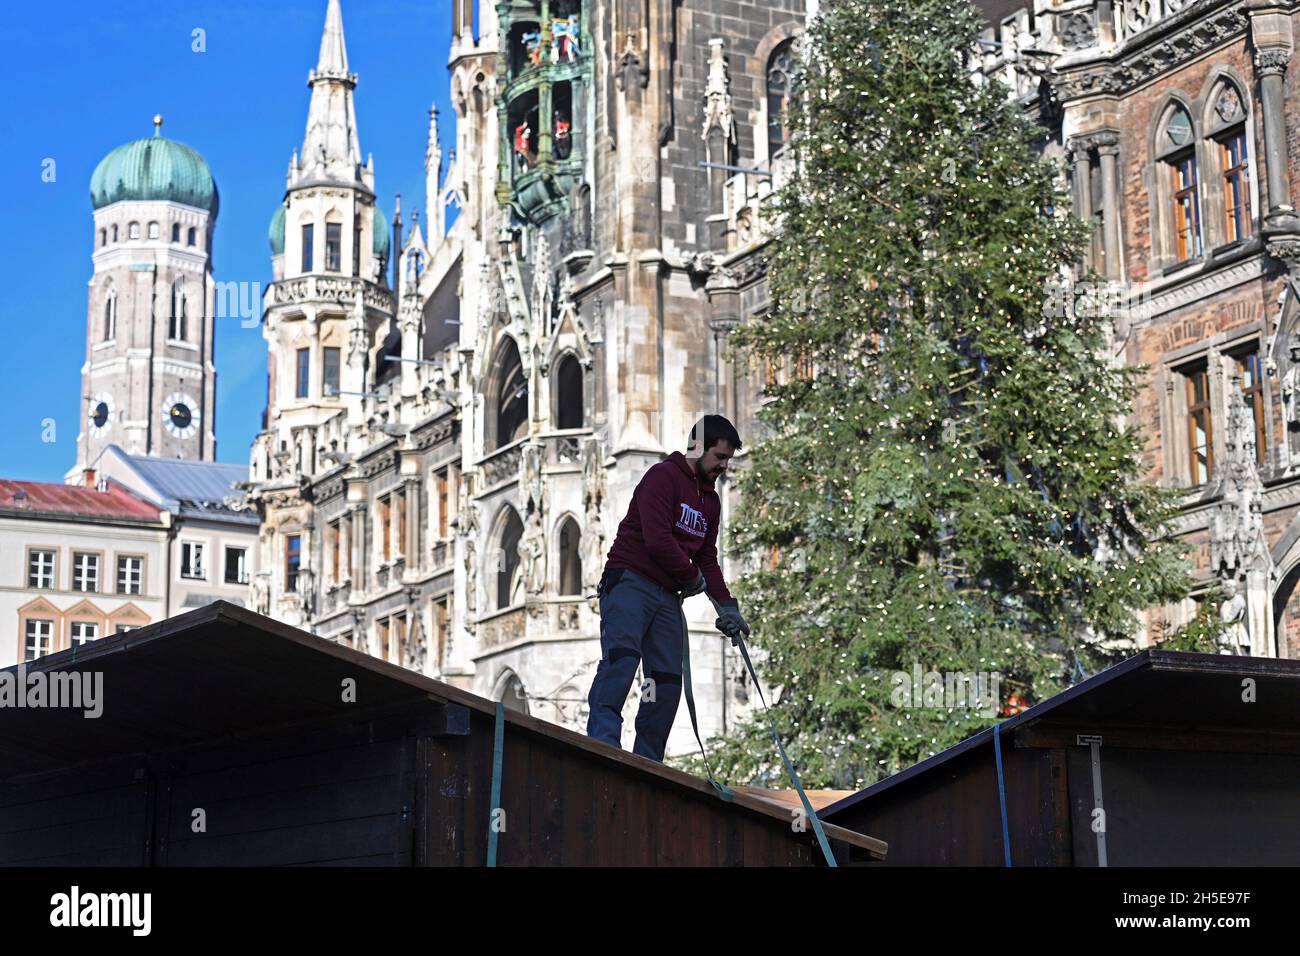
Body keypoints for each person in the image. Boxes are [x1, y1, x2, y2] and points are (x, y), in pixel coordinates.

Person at [585, 415, 751, 762]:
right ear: (696, 447)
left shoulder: (711, 502)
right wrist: (692, 578)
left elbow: (707, 558)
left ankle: (647, 761)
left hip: (666, 597)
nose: (724, 466)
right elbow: (657, 540)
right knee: (622, 661)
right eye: (719, 457)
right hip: (630, 581)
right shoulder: (662, 477)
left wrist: (727, 608)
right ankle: (603, 746)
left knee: (664, 681)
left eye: (728, 459)